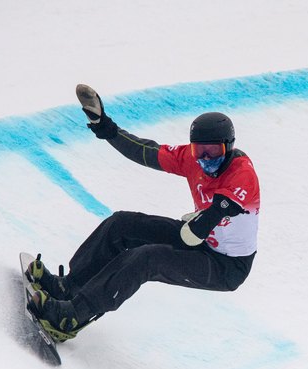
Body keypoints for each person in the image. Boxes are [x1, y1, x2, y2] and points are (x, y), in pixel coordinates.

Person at [26, 84, 261, 342]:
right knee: (122, 224)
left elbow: (211, 218)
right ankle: (68, 287)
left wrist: (199, 223)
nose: (205, 158)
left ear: (228, 146)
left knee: (147, 259)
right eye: (199, 150)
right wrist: (107, 128)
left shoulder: (242, 174)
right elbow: (146, 152)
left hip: (226, 266)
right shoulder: (192, 160)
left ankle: (71, 316)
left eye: (213, 150)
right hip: (200, 239)